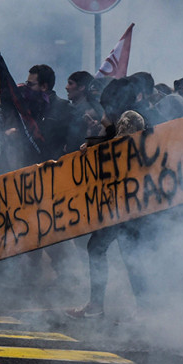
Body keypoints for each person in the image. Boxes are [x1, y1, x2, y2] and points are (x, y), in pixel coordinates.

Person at [67, 109, 150, 319]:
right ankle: (143, 309)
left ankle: (102, 306)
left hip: (122, 211)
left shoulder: (134, 147)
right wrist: (92, 149)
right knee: (126, 255)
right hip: (124, 210)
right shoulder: (137, 146)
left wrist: (93, 148)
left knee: (102, 250)